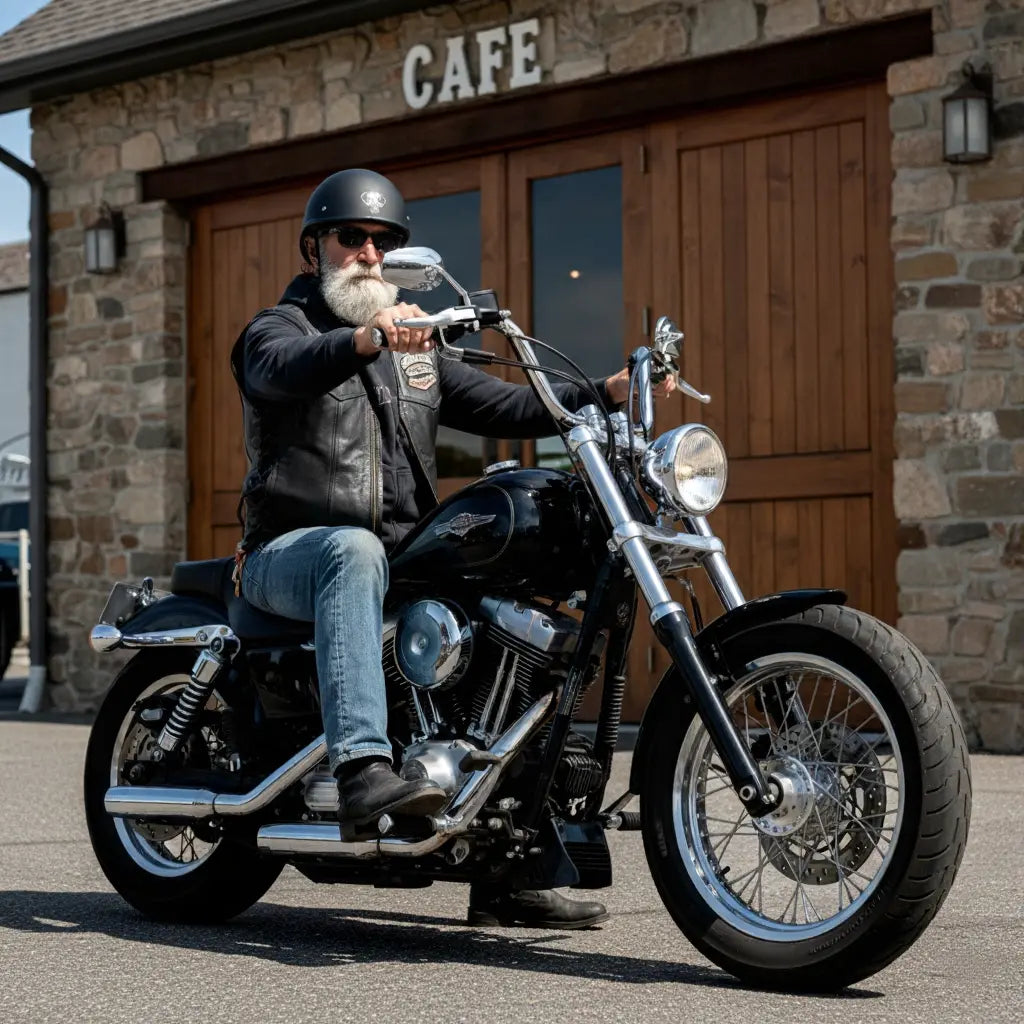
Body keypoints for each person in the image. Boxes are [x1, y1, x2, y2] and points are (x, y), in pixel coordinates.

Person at [231, 168, 673, 929]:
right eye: (352, 238)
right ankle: (365, 768)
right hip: (289, 555)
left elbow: (509, 404)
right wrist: (366, 339)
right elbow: (283, 372)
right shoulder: (281, 330)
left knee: (515, 623)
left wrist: (599, 392)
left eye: (384, 242)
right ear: (315, 249)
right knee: (352, 550)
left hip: (397, 564)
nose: (368, 253)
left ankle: (513, 866)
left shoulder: (419, 355)